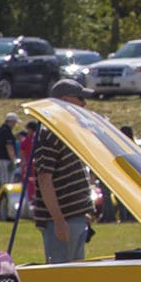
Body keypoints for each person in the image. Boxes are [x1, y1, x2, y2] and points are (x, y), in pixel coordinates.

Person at [34, 81, 97, 263]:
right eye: (80, 99)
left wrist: (82, 212)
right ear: (64, 100)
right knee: (61, 273)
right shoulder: (50, 134)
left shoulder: (67, 133)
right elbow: (45, 178)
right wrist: (59, 220)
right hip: (61, 220)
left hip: (74, 218)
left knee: (77, 276)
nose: (84, 104)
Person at [0, 113, 16, 183]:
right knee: (6, 180)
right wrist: (13, 160)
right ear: (11, 121)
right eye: (14, 122)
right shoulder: (7, 131)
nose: (15, 124)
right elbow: (9, 146)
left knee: (0, 179)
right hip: (5, 159)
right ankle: (6, 194)